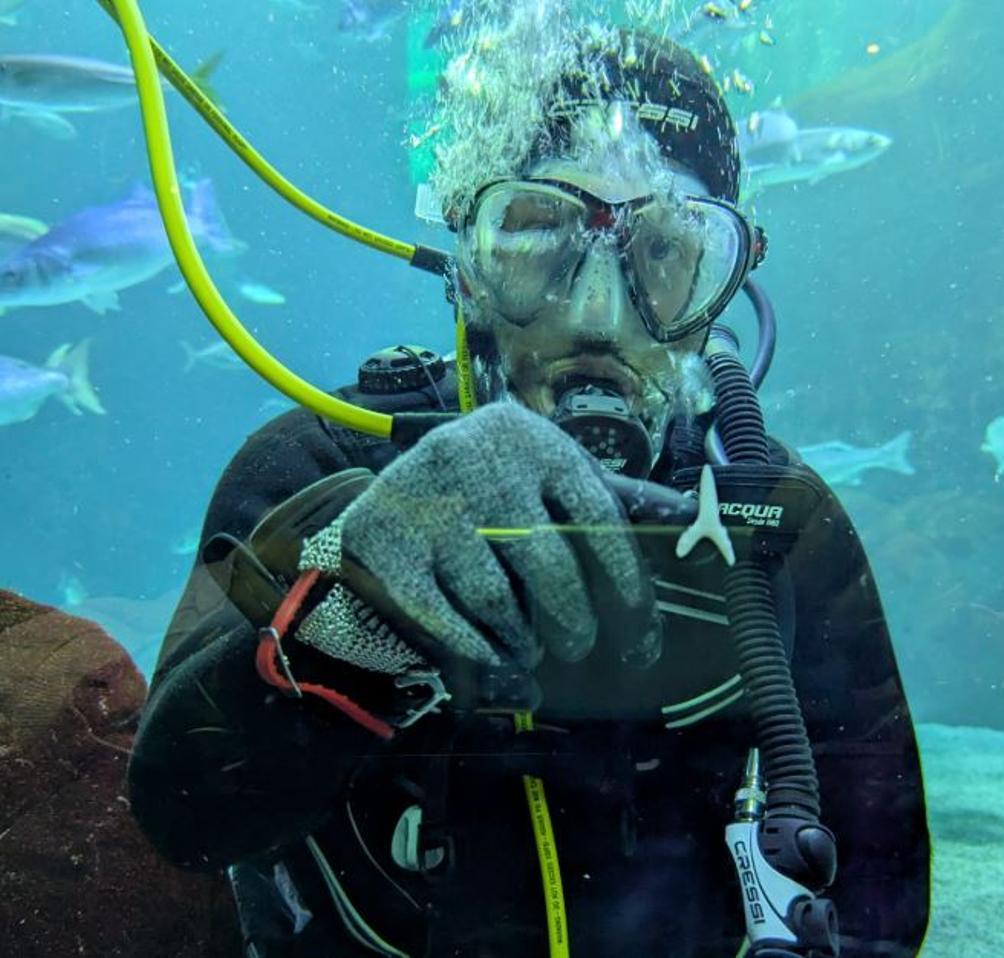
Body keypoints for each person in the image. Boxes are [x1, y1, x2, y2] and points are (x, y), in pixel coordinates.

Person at [128, 24, 930, 958]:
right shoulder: (312, 464)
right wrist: (352, 610)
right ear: (466, 266)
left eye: (668, 252)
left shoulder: (778, 521)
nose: (596, 311)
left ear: (724, 286)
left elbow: (880, 899)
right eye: (537, 235)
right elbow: (180, 817)